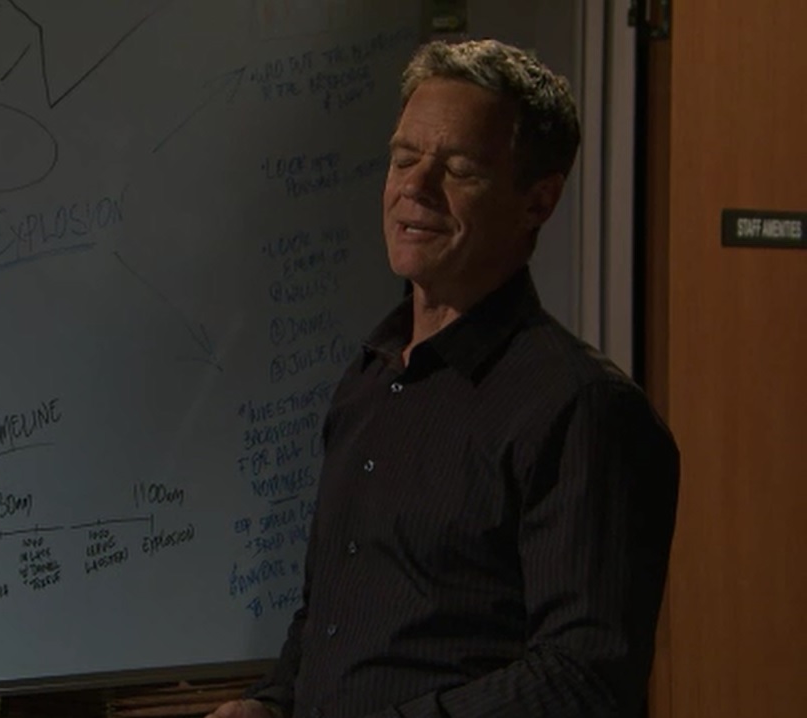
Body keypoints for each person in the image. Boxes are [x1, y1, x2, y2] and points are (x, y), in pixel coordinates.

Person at [208, 39, 680, 718]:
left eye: (458, 168)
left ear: (538, 201)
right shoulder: (371, 377)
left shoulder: (582, 410)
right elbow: (331, 618)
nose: (415, 188)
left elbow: (583, 679)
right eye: (404, 159)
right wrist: (274, 703)